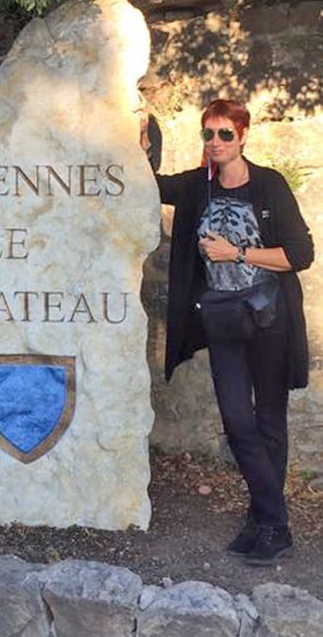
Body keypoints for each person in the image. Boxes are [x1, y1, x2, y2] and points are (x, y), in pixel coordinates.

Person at [141, 98, 314, 566]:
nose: (215, 143)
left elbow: (300, 254)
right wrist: (137, 144)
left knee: (269, 422)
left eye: (225, 135)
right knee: (238, 422)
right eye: (208, 134)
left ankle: (269, 524)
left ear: (242, 136)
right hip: (223, 321)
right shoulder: (199, 186)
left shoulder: (269, 186)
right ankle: (269, 516)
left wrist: (236, 253)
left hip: (269, 319)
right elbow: (151, 184)